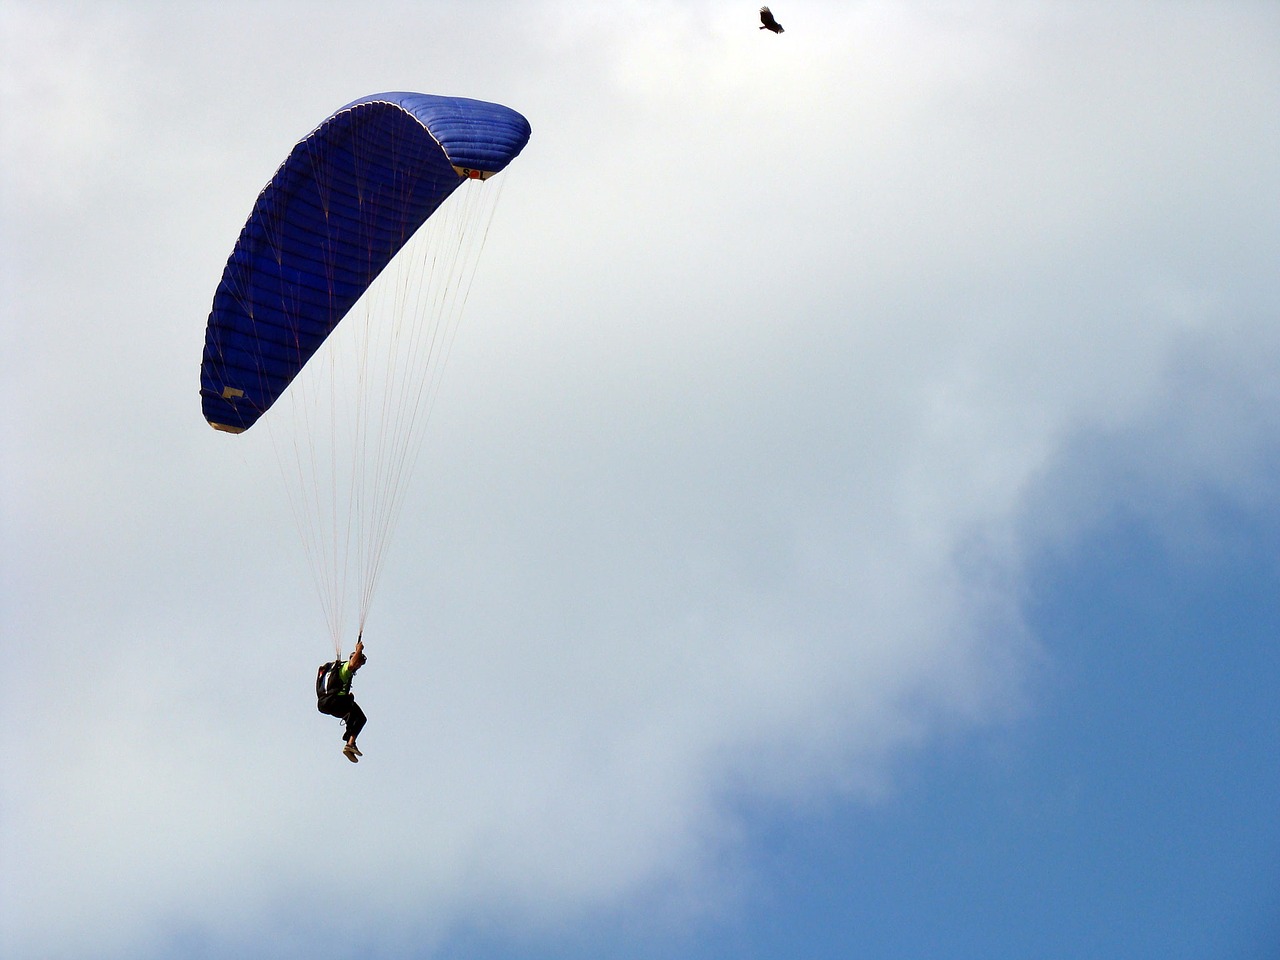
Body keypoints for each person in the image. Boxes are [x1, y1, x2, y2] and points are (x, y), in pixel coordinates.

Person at [317, 637, 367, 762]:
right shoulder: (345, 669)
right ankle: (350, 744)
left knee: (354, 714)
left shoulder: (337, 669)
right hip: (333, 702)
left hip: (325, 704)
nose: (359, 665)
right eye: (359, 662)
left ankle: (350, 744)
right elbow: (351, 664)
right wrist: (358, 650)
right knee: (360, 717)